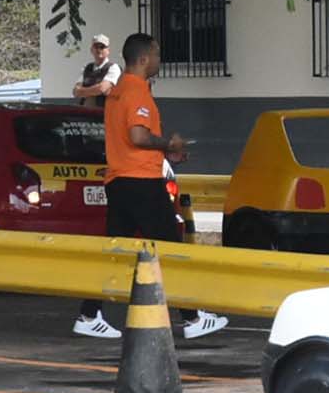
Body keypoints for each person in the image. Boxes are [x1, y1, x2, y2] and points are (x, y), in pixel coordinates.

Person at [76, 32, 226, 341]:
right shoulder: (136, 93)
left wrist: (165, 151)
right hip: (141, 182)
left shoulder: (116, 93)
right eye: (156, 55)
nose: (159, 60)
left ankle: (89, 314)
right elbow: (138, 137)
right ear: (144, 59)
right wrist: (166, 143)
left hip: (119, 181)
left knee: (115, 252)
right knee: (170, 249)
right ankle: (193, 317)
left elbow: (129, 138)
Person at [72, 33, 115, 103]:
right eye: (96, 47)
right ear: (91, 50)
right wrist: (96, 90)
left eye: (102, 47)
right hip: (85, 111)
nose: (99, 50)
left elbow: (102, 88)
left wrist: (83, 91)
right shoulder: (86, 68)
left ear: (108, 50)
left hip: (104, 111)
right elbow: (75, 91)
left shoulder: (113, 67)